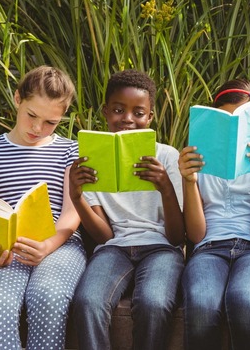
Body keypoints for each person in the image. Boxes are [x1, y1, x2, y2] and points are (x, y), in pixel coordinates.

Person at [0, 65, 86, 350]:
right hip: (8, 250)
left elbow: (72, 213)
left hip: (61, 244)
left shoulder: (71, 150)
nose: (37, 128)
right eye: (32, 115)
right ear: (18, 98)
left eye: (50, 122)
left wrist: (48, 245)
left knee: (48, 295)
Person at [69, 69, 185, 350]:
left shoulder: (167, 156)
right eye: (119, 110)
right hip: (114, 248)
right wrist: (76, 197)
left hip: (161, 249)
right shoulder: (91, 157)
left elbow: (177, 237)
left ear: (150, 117)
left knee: (154, 303)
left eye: (139, 113)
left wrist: (165, 188)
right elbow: (104, 235)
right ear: (106, 111)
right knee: (87, 301)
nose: (128, 119)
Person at [178, 79, 250, 349]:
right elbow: (197, 234)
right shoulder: (197, 161)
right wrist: (189, 181)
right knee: (201, 304)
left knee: (244, 300)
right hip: (209, 247)